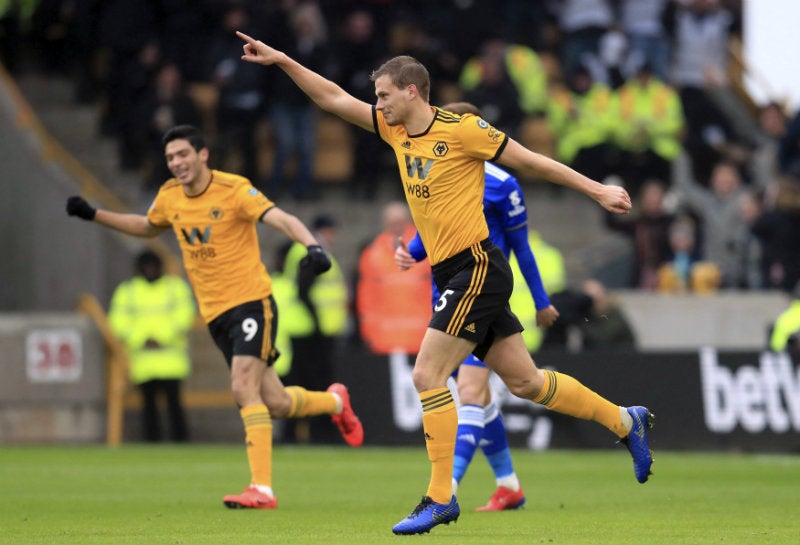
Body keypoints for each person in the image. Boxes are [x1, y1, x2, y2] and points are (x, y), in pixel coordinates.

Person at [236, 34, 653, 535]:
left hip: (476, 267)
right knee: (527, 382)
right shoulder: (394, 132)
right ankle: (626, 421)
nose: (378, 104)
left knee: (426, 376)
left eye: (385, 94)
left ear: (413, 91)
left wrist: (597, 189)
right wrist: (282, 60)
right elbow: (331, 98)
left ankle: (440, 497)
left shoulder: (463, 130)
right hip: (454, 271)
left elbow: (530, 160)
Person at [66, 124, 363, 510]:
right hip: (216, 314)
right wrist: (94, 214)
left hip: (252, 302)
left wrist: (312, 246)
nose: (176, 163)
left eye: (183, 154)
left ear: (202, 155)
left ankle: (262, 489)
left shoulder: (234, 190)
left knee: (243, 387)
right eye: (171, 157)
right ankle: (336, 403)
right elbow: (146, 226)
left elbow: (281, 217)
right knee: (275, 402)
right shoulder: (170, 196)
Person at [394, 101, 560, 512]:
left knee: (468, 389)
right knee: (484, 397)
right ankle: (509, 485)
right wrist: (412, 253)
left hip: (483, 291)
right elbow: (433, 224)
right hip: (451, 290)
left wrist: (541, 301)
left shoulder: (503, 185)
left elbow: (521, 247)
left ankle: (445, 488)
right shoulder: (440, 169)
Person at [108, 249, 196, 442]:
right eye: (146, 267)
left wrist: (161, 337)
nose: (149, 270)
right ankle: (152, 441)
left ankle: (180, 441)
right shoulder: (128, 290)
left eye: (153, 266)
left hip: (171, 359)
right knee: (148, 405)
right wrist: (143, 338)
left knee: (174, 403)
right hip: (143, 360)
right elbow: (118, 321)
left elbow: (185, 315)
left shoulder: (175, 287)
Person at [280, 214, 349, 444]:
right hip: (309, 331)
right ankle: (315, 433)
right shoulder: (310, 252)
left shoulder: (311, 252)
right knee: (313, 382)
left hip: (312, 330)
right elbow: (304, 290)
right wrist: (318, 324)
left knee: (305, 381)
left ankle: (299, 432)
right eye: (330, 231)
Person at [357, 201, 431, 355]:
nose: (396, 226)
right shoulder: (372, 253)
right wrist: (368, 330)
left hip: (422, 338)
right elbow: (366, 297)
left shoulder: (427, 249)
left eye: (400, 221)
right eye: (392, 222)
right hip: (384, 340)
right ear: (384, 223)